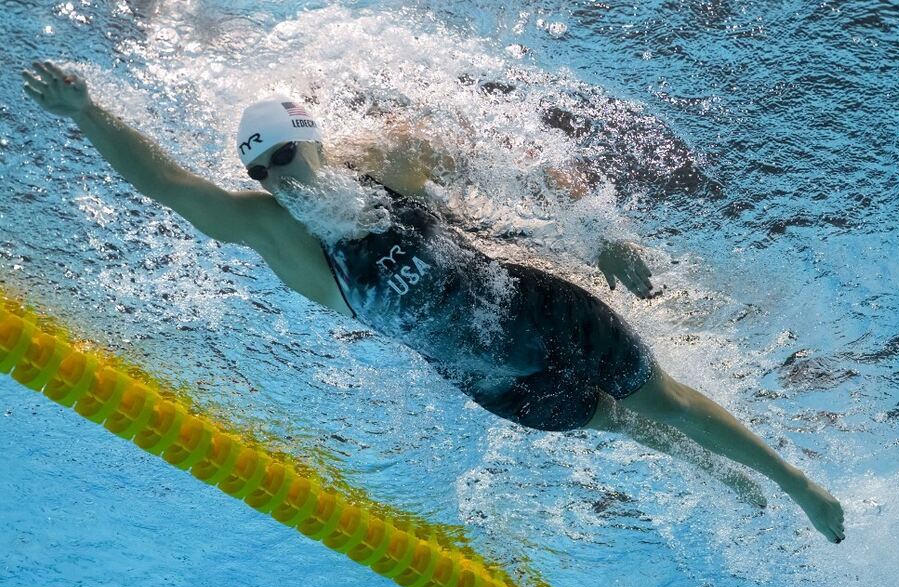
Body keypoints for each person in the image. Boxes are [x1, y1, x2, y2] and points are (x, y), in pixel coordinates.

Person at [21, 60, 845, 544]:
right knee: (616, 424)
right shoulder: (276, 237)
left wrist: (600, 239)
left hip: (539, 308)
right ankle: (708, 468)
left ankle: (797, 484)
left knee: (660, 395)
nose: (286, 175)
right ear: (256, 180)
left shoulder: (389, 162)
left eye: (291, 153)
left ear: (316, 139)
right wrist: (89, 113)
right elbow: (166, 185)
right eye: (267, 168)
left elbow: (516, 165)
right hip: (492, 382)